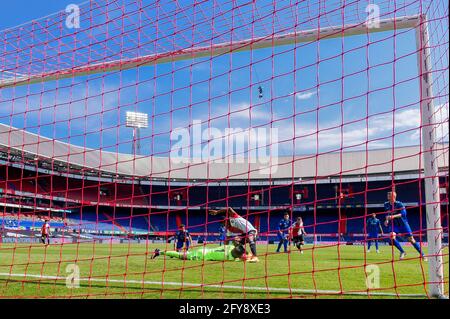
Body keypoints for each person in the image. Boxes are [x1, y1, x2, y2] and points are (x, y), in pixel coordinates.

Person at [384, 191, 427, 260]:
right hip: (394, 225)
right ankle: (402, 252)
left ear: (393, 196)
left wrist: (393, 216)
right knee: (392, 236)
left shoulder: (399, 204)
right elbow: (387, 214)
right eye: (388, 196)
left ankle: (423, 255)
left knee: (411, 240)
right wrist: (387, 220)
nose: (388, 197)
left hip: (403, 224)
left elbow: (404, 213)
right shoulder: (386, 204)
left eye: (389, 196)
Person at [151, 236, 253, 262]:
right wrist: (251, 257)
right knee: (181, 256)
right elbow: (242, 257)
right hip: (201, 255)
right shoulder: (231, 258)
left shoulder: (230, 247)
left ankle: (160, 252)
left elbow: (236, 244)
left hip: (204, 250)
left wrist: (238, 242)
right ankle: (159, 252)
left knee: (182, 254)